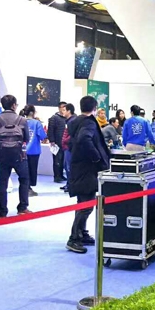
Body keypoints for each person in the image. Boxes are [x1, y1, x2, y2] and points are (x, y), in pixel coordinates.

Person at [66, 95, 109, 254]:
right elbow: (84, 139)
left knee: (83, 202)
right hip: (87, 169)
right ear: (94, 108)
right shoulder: (89, 122)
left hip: (79, 167)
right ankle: (74, 238)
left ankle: (81, 233)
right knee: (86, 205)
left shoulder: (75, 121)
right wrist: (96, 157)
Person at [0, 95, 31, 217]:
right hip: (19, 155)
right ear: (13, 105)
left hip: (2, 155)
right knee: (24, 179)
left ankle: (2, 210)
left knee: (2, 183)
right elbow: (26, 138)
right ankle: (22, 207)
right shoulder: (22, 120)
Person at [21, 105, 46, 197]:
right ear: (32, 112)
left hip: (22, 150)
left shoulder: (21, 121)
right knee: (32, 170)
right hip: (34, 150)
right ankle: (28, 189)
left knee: (24, 170)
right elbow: (42, 136)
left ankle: (25, 188)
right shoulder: (36, 123)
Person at [48, 101, 67, 183]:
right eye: (63, 107)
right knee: (57, 160)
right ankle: (57, 176)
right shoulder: (54, 118)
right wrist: (52, 140)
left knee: (63, 160)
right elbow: (50, 130)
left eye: (65, 107)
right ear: (59, 108)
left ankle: (61, 175)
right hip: (56, 143)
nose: (64, 108)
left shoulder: (66, 118)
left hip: (64, 143)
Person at [60, 103, 76, 193]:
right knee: (66, 167)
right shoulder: (68, 121)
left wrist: (65, 140)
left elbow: (72, 135)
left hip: (69, 147)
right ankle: (68, 184)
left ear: (69, 111)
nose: (62, 112)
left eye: (64, 110)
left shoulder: (72, 121)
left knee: (69, 167)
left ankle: (71, 186)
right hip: (66, 147)